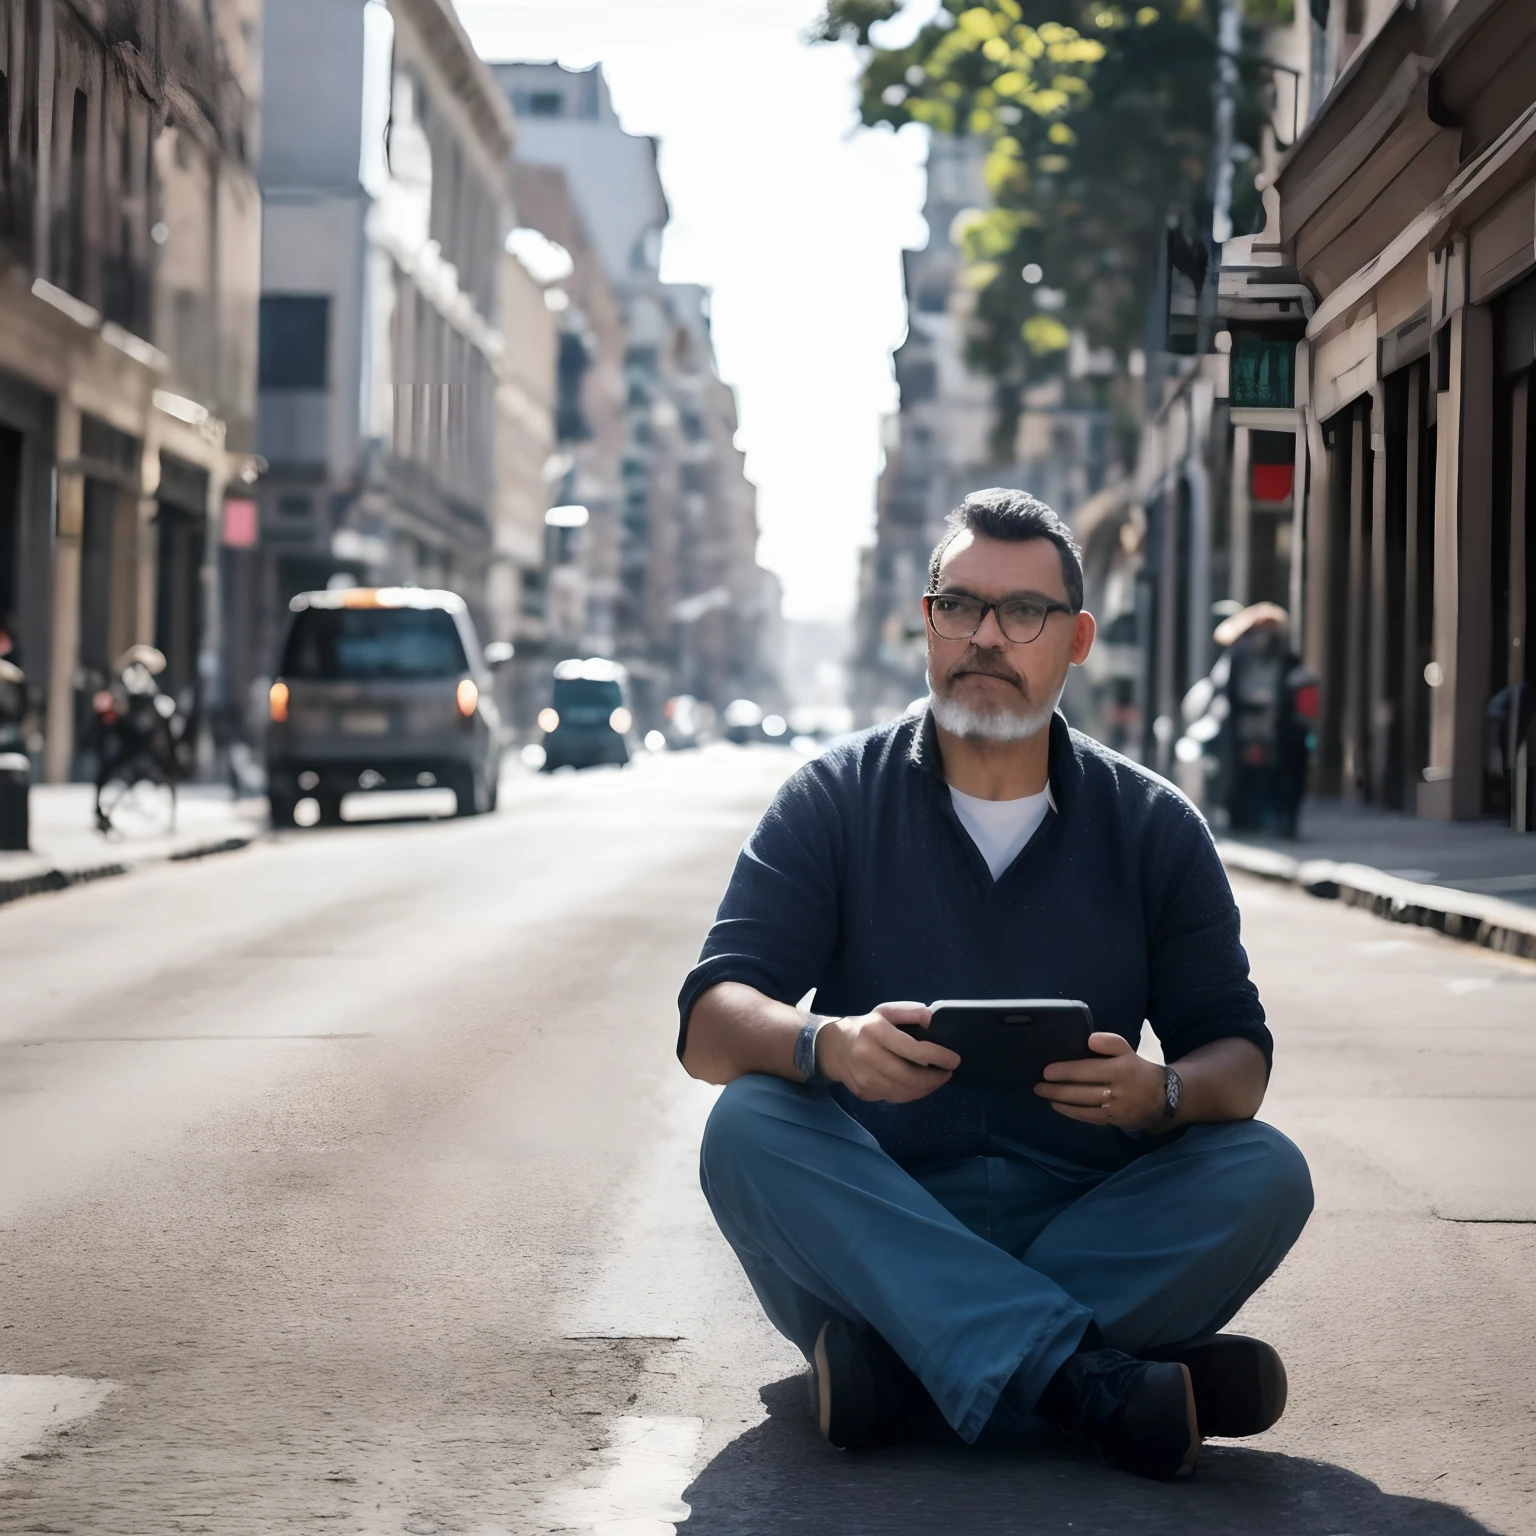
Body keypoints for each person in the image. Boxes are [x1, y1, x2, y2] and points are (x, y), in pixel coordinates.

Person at [677, 488, 1312, 1481]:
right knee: (747, 1124)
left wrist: (1165, 1093)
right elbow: (710, 1025)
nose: (986, 637)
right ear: (925, 622)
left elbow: (1237, 1057)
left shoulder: (1155, 826)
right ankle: (1090, 1377)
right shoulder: (831, 799)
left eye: (1023, 614)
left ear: (1077, 639)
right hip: (875, 1227)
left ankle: (908, 1378)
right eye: (960, 606)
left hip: (1087, 1220)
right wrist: (825, 1044)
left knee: (1265, 1168)